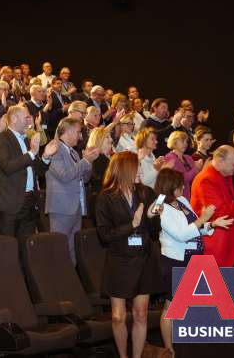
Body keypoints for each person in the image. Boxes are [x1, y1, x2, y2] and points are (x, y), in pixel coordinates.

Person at [156, 168, 232, 357]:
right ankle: (169, 349)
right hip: (175, 260)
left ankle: (187, 345)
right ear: (169, 187)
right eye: (179, 185)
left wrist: (212, 224)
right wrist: (204, 219)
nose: (183, 188)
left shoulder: (182, 202)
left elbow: (195, 227)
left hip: (194, 257)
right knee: (172, 306)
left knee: (190, 305)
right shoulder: (162, 208)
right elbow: (182, 235)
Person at [95, 151, 159, 358]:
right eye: (137, 167)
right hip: (120, 260)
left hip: (143, 258)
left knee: (141, 314)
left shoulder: (147, 193)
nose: (141, 171)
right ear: (124, 170)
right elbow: (105, 235)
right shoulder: (105, 198)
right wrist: (131, 225)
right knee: (118, 317)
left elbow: (154, 229)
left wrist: (151, 217)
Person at [0, 105, 57, 246]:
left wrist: (45, 156)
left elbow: (37, 170)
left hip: (29, 202)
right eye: (26, 117)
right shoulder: (1, 139)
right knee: (7, 248)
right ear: (14, 119)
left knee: (27, 248)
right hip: (11, 204)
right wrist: (32, 153)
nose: (30, 121)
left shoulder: (27, 139)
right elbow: (8, 167)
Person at [46, 117, 98, 263]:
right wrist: (85, 161)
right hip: (62, 208)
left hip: (76, 207)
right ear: (67, 131)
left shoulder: (73, 153)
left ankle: (71, 279)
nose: (80, 136)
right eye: (78, 132)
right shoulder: (54, 148)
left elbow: (85, 179)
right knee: (58, 249)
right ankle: (57, 282)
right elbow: (65, 176)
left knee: (72, 249)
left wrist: (89, 161)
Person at [163, 130, 203, 200]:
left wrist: (202, 169)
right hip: (180, 197)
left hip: (193, 195)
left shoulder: (188, 158)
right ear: (174, 143)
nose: (185, 144)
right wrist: (196, 169)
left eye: (186, 142)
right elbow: (181, 179)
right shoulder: (170, 158)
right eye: (182, 141)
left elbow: (196, 178)